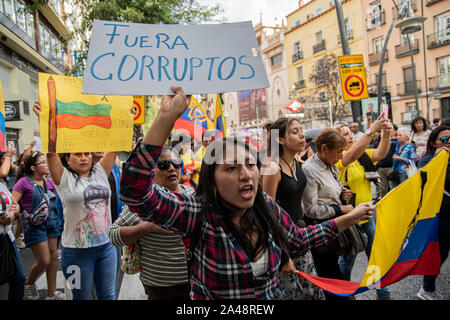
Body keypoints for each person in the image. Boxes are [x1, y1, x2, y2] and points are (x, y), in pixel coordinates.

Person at [119, 86, 375, 300]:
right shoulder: (196, 213)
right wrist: (166, 117)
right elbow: (135, 192)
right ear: (213, 181)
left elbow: (297, 240)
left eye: (250, 165)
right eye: (231, 167)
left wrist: (350, 217)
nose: (246, 174)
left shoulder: (264, 204)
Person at [33, 101, 118, 300]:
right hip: (76, 253)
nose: (84, 158)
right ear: (68, 158)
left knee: (109, 296)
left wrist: (125, 116)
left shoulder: (100, 172)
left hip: (106, 248)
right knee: (80, 297)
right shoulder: (63, 178)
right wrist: (43, 119)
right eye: (77, 154)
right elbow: (51, 151)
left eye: (87, 153)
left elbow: (114, 144)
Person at [110, 146, 194, 300]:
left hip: (195, 282)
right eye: (163, 165)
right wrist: (146, 227)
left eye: (176, 163)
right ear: (152, 171)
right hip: (160, 287)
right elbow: (114, 234)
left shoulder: (192, 195)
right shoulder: (144, 202)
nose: (171, 169)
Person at [261, 117, 325, 300]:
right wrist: (282, 255)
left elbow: (298, 200)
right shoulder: (272, 168)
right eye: (295, 132)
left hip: (300, 237)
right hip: (283, 242)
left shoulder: (296, 163)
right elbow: (267, 214)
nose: (302, 135)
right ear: (280, 139)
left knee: (310, 292)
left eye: (301, 130)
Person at [335, 118, 393, 300]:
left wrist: (385, 133)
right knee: (347, 260)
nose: (350, 136)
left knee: (377, 257)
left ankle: (383, 294)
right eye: (345, 134)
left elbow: (380, 153)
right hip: (350, 220)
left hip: (367, 216)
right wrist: (371, 130)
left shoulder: (363, 155)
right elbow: (350, 155)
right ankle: (345, 293)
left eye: (351, 133)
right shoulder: (339, 159)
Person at [11, 151, 64, 300]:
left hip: (51, 222)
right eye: (43, 163)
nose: (47, 165)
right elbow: (13, 200)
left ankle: (51, 294)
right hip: (34, 226)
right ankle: (29, 282)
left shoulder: (49, 181)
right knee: (44, 260)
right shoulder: (23, 182)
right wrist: (16, 209)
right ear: (33, 168)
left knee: (53, 258)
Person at [416, 125, 450, 300]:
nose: (448, 142)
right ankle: (427, 288)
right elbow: (425, 180)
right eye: (444, 140)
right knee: (438, 253)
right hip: (441, 215)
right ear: (434, 142)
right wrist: (437, 161)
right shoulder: (427, 159)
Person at [0, 181, 25, 300]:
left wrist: (12, 213)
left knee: (18, 278)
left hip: (7, 238)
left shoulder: (1, 185)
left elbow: (16, 205)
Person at [376, 124, 399, 198]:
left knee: (393, 186)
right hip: (381, 167)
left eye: (389, 128)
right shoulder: (381, 141)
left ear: (395, 131)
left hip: (390, 167)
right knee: (383, 187)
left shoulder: (396, 143)